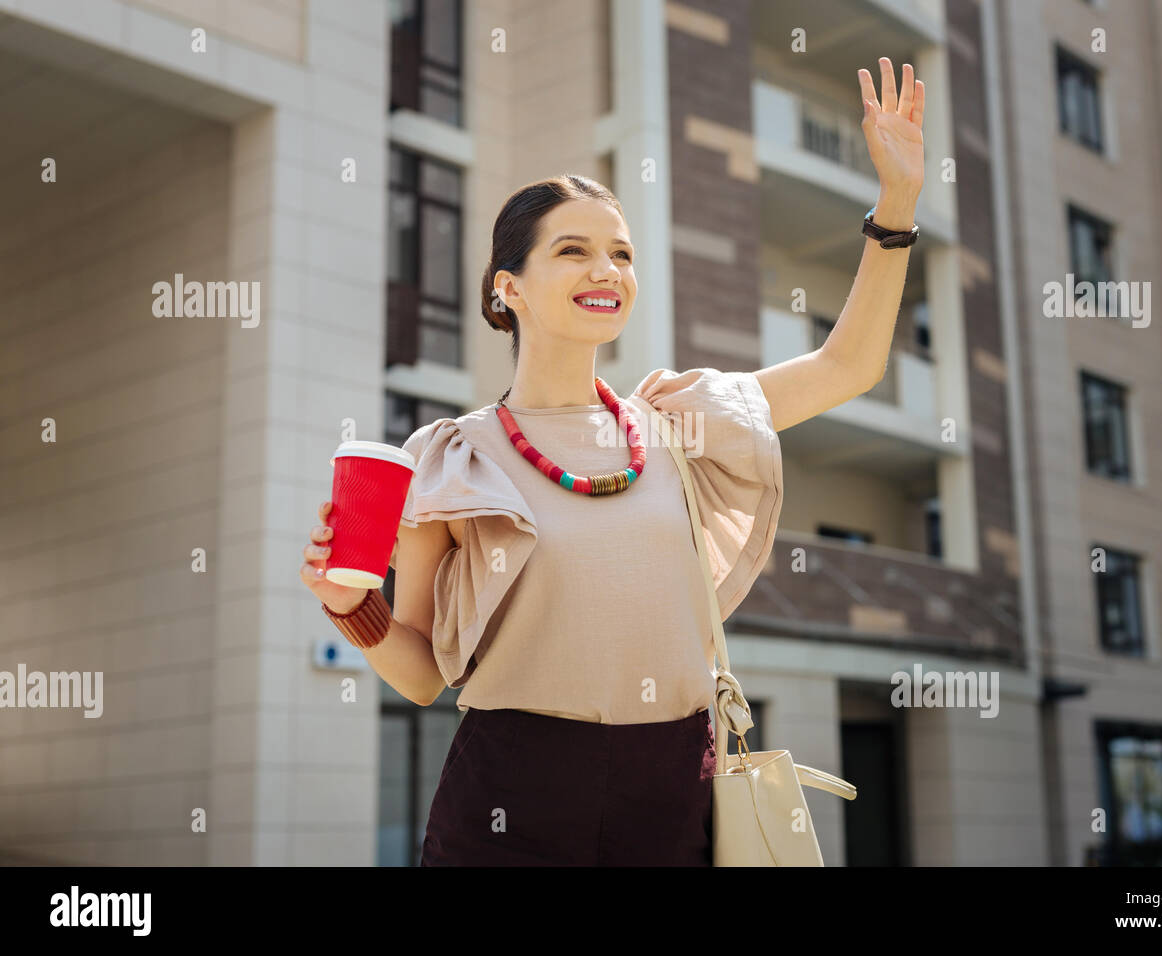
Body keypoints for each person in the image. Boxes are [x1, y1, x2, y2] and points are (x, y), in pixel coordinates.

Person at [300, 60, 925, 866]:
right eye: (573, 250)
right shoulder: (455, 459)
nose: (606, 271)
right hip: (509, 798)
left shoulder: (681, 425)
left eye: (622, 255)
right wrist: (350, 605)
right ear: (508, 290)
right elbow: (424, 676)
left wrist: (898, 203)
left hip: (669, 794)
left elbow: (848, 368)